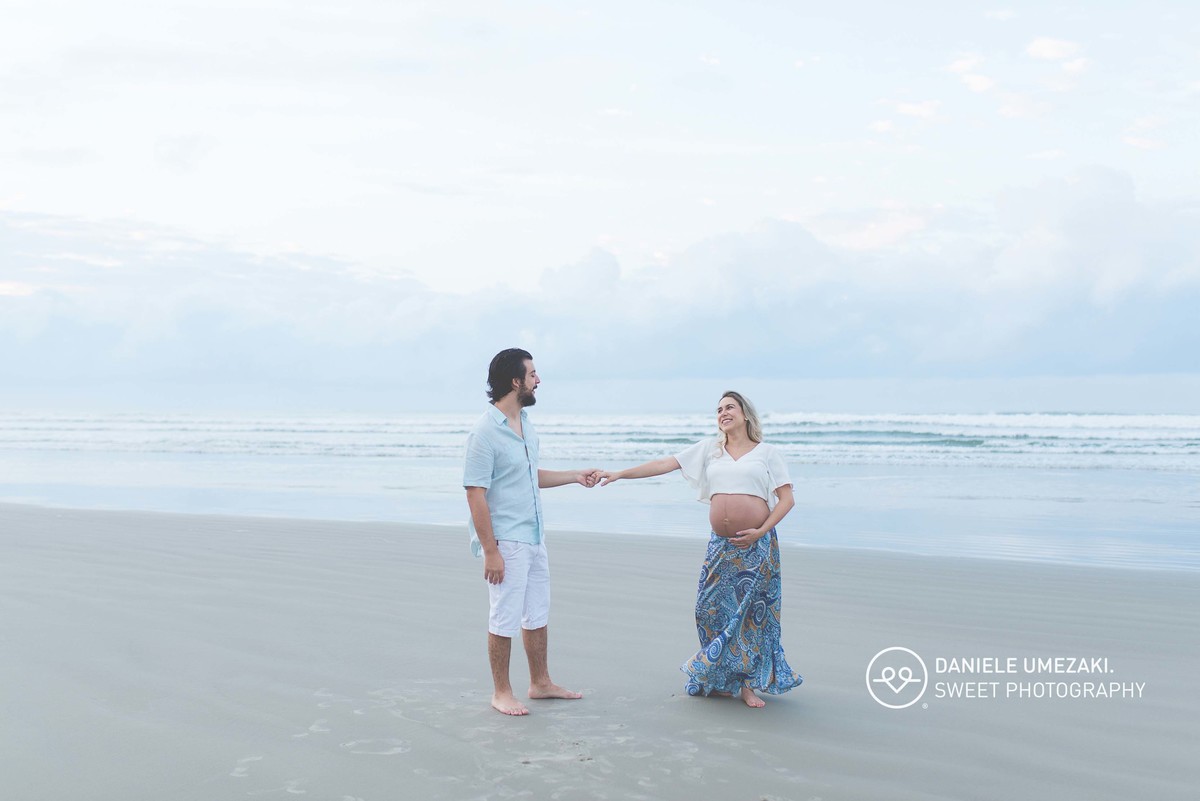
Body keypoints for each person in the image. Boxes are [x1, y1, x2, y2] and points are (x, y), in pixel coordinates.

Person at [597, 391, 802, 708]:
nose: (723, 412)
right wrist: (621, 473)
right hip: (720, 545)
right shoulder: (710, 449)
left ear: (745, 414)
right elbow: (666, 463)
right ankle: (721, 677)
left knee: (749, 616)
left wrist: (761, 530)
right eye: (719, 409)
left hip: (756, 545)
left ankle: (747, 685)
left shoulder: (767, 453)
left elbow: (786, 499)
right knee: (707, 610)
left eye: (730, 407)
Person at [463, 348, 599, 716]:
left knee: (536, 613)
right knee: (504, 616)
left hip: (535, 535)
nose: (538, 380)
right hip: (506, 540)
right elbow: (475, 492)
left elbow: (529, 477)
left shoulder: (526, 424)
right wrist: (490, 550)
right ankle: (501, 692)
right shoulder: (484, 432)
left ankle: (540, 682)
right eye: (533, 374)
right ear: (515, 381)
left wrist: (573, 476)